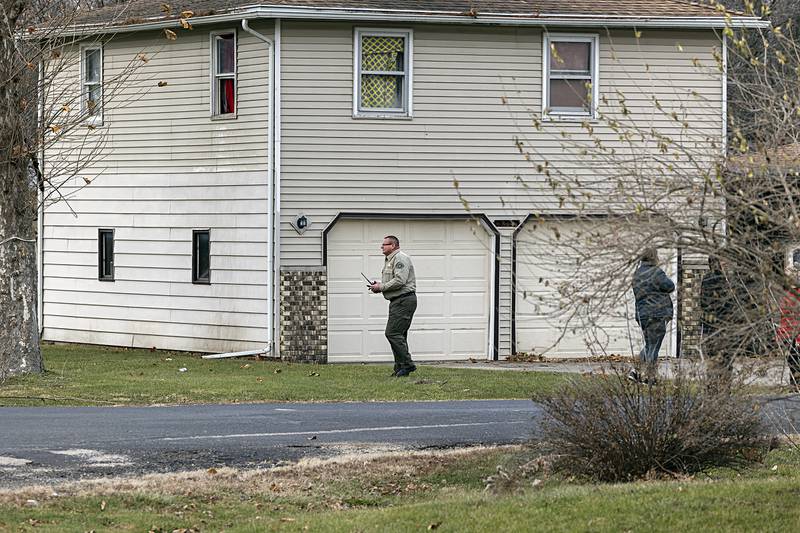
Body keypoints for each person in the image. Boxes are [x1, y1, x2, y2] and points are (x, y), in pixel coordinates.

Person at [369, 235, 417, 377]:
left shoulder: (400, 258)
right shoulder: (390, 260)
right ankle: (400, 369)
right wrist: (378, 285)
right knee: (399, 335)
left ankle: (408, 365)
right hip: (398, 301)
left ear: (394, 246)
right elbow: (393, 281)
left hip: (404, 300)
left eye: (385, 244)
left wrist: (381, 287)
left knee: (392, 333)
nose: (382, 247)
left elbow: (400, 281)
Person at [630, 247, 675, 384]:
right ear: (653, 257)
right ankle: (651, 378)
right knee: (654, 347)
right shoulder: (656, 272)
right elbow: (670, 286)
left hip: (642, 314)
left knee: (649, 345)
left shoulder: (637, 274)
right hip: (657, 313)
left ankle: (635, 371)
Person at [700, 255, 735, 387]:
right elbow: (727, 303)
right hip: (721, 324)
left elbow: (702, 302)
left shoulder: (706, 278)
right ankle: (723, 387)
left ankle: (712, 386)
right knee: (725, 359)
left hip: (710, 325)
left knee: (712, 359)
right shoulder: (721, 280)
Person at [776, 287, 800, 391]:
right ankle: (795, 384)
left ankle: (796, 384)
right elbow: (784, 316)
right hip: (788, 332)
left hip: (796, 332)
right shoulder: (786, 293)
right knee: (792, 359)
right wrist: (781, 334)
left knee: (795, 357)